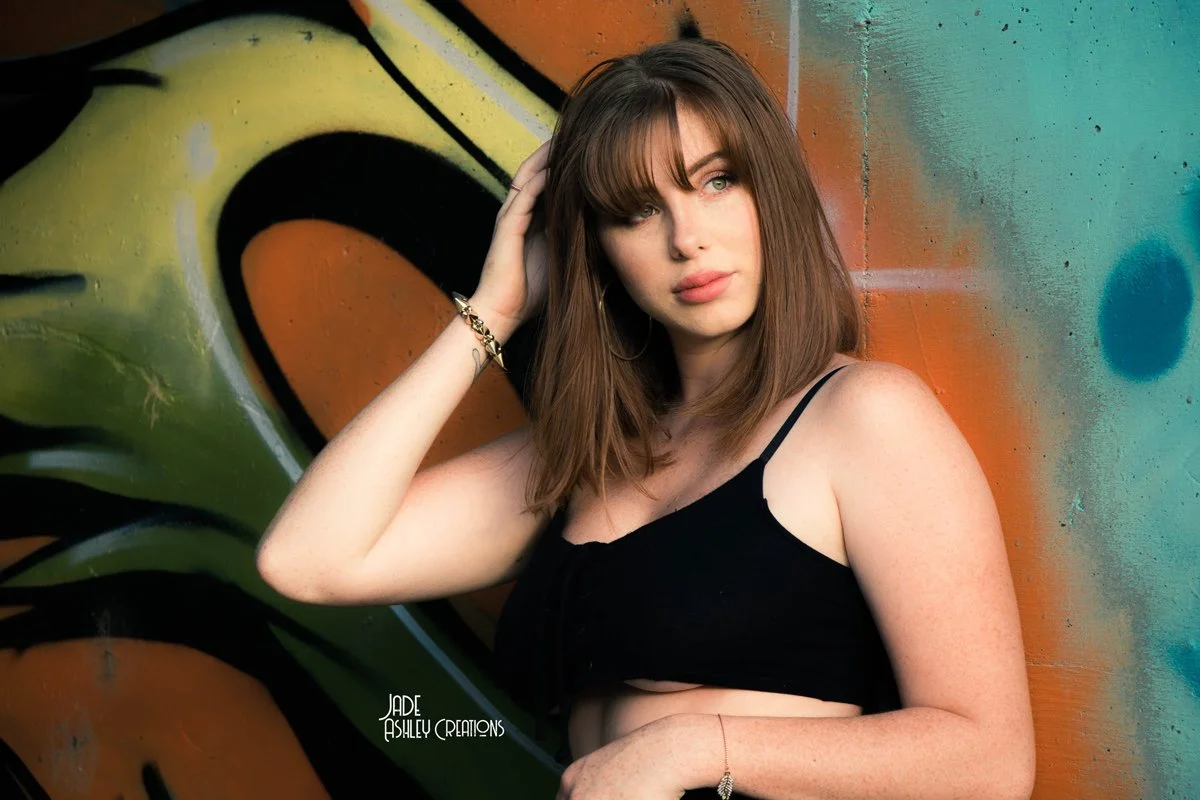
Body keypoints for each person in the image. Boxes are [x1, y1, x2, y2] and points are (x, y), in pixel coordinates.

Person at [256, 38, 1035, 800]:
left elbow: (989, 759)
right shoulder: (586, 455)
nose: (686, 238)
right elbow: (308, 559)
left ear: (774, 194)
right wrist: (493, 311)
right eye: (635, 212)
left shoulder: (864, 416)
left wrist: (691, 748)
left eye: (717, 181)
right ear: (594, 250)